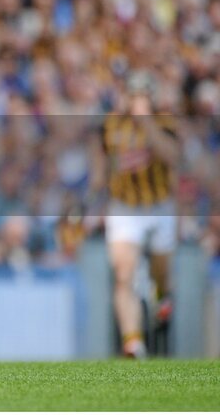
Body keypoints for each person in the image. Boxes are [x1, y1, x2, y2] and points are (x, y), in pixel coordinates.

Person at [93, 71, 180, 359]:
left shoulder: (165, 122)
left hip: (159, 205)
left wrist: (147, 124)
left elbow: (172, 157)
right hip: (124, 207)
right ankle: (132, 342)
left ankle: (161, 297)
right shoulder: (111, 125)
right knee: (123, 273)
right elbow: (101, 166)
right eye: (134, 94)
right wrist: (93, 199)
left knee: (161, 274)